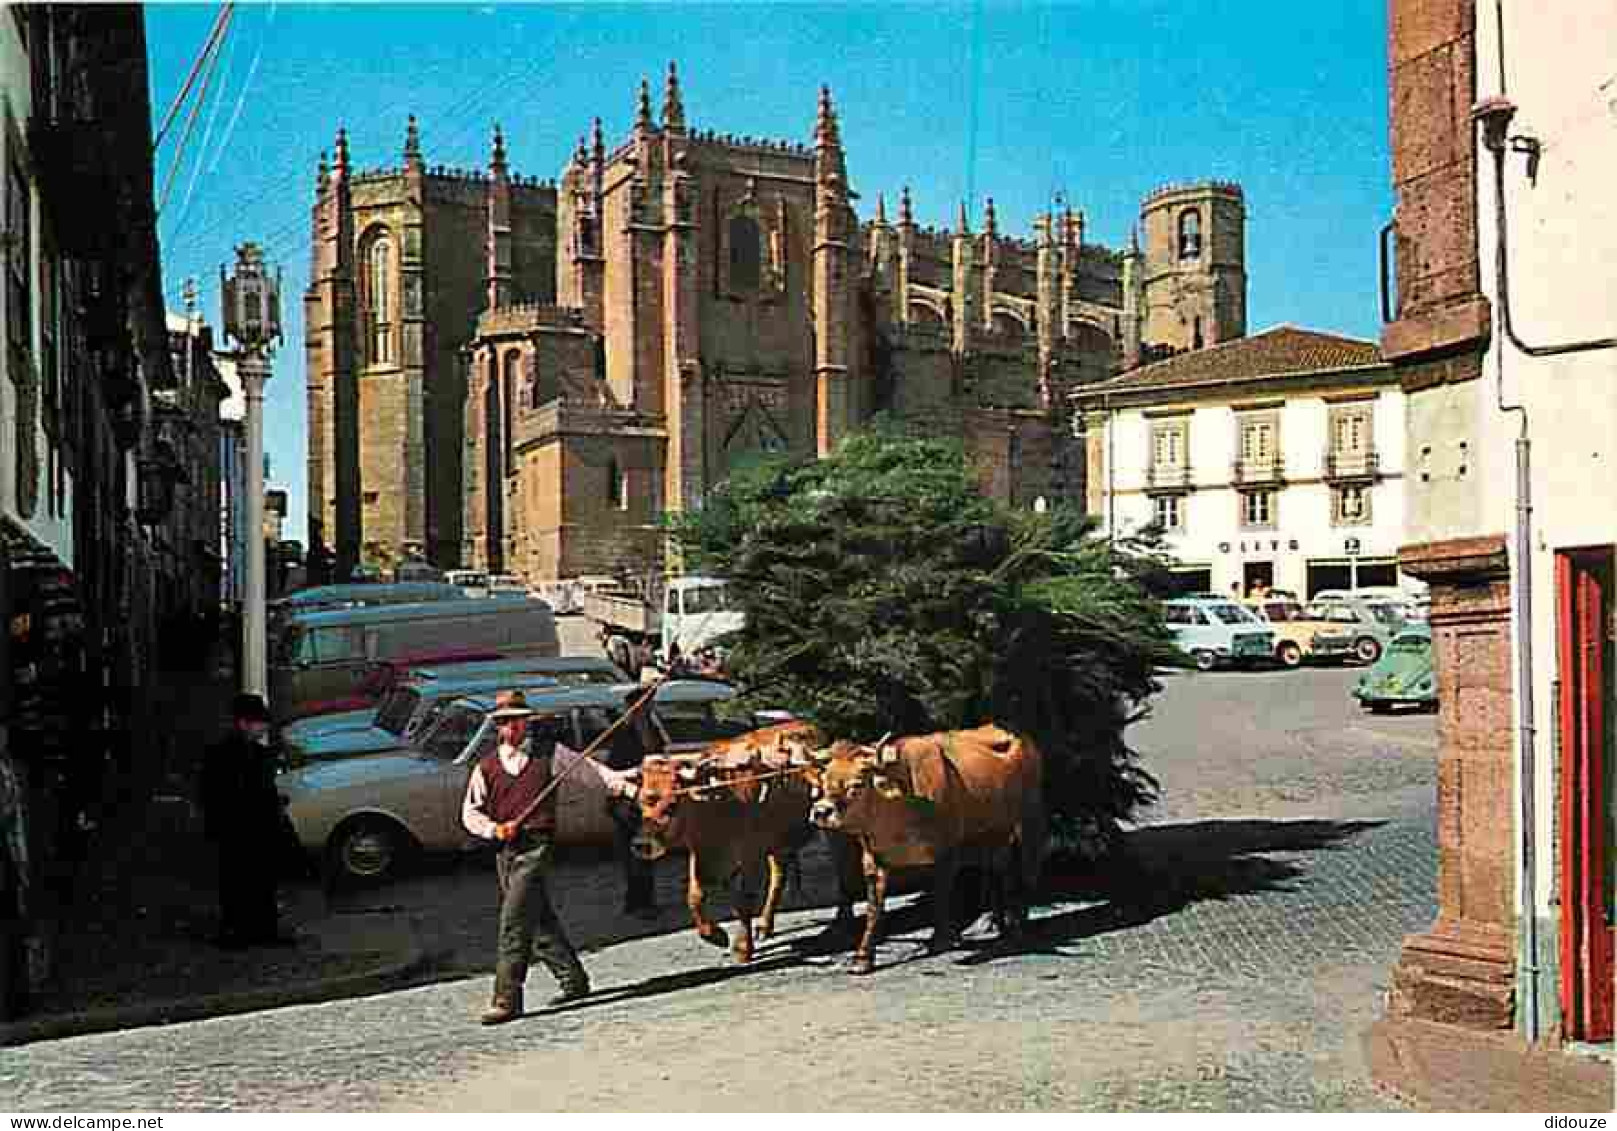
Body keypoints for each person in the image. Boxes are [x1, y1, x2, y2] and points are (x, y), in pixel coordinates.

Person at [461, 690, 589, 1025]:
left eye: (517, 722)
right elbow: (470, 814)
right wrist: (494, 829)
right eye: (505, 723)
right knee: (537, 915)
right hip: (507, 849)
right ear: (498, 727)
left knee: (514, 920)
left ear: (526, 722)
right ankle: (574, 980)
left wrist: (631, 787)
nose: (512, 729)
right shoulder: (485, 767)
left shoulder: (551, 755)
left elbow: (594, 773)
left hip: (538, 846)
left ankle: (506, 997)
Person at [201, 693, 294, 949]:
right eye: (259, 722)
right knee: (248, 881)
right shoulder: (243, 756)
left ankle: (245, 930)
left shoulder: (223, 753)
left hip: (239, 829)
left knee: (245, 881)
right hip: (243, 829)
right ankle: (251, 930)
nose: (264, 727)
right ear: (244, 723)